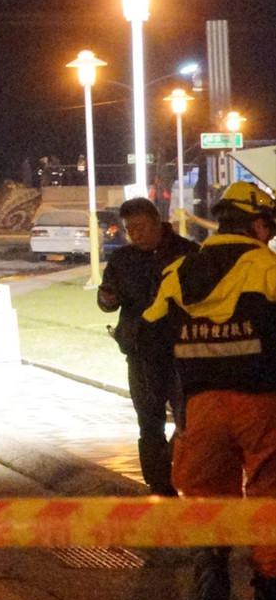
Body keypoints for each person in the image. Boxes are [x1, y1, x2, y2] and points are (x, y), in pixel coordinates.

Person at [142, 179, 276, 600]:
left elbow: (149, 334)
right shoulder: (266, 266)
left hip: (200, 406)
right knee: (268, 503)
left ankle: (210, 573)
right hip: (262, 406)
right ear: (258, 224)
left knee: (207, 498)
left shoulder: (182, 270)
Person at [96, 195, 190, 494]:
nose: (135, 234)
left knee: (189, 419)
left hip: (182, 351)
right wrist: (107, 300)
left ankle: (184, 475)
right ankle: (159, 485)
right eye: (129, 229)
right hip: (140, 352)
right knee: (149, 422)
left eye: (140, 227)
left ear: (157, 222)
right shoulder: (122, 259)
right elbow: (107, 300)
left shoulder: (188, 253)